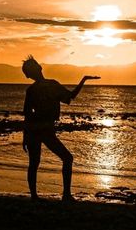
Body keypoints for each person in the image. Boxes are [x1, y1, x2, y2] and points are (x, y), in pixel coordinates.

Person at [21, 56, 99, 201]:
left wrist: (25, 135)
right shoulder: (50, 85)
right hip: (43, 130)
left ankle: (35, 196)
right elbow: (71, 96)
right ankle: (65, 195)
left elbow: (27, 115)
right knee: (66, 158)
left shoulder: (33, 89)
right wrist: (83, 80)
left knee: (35, 163)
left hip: (36, 130)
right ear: (39, 68)